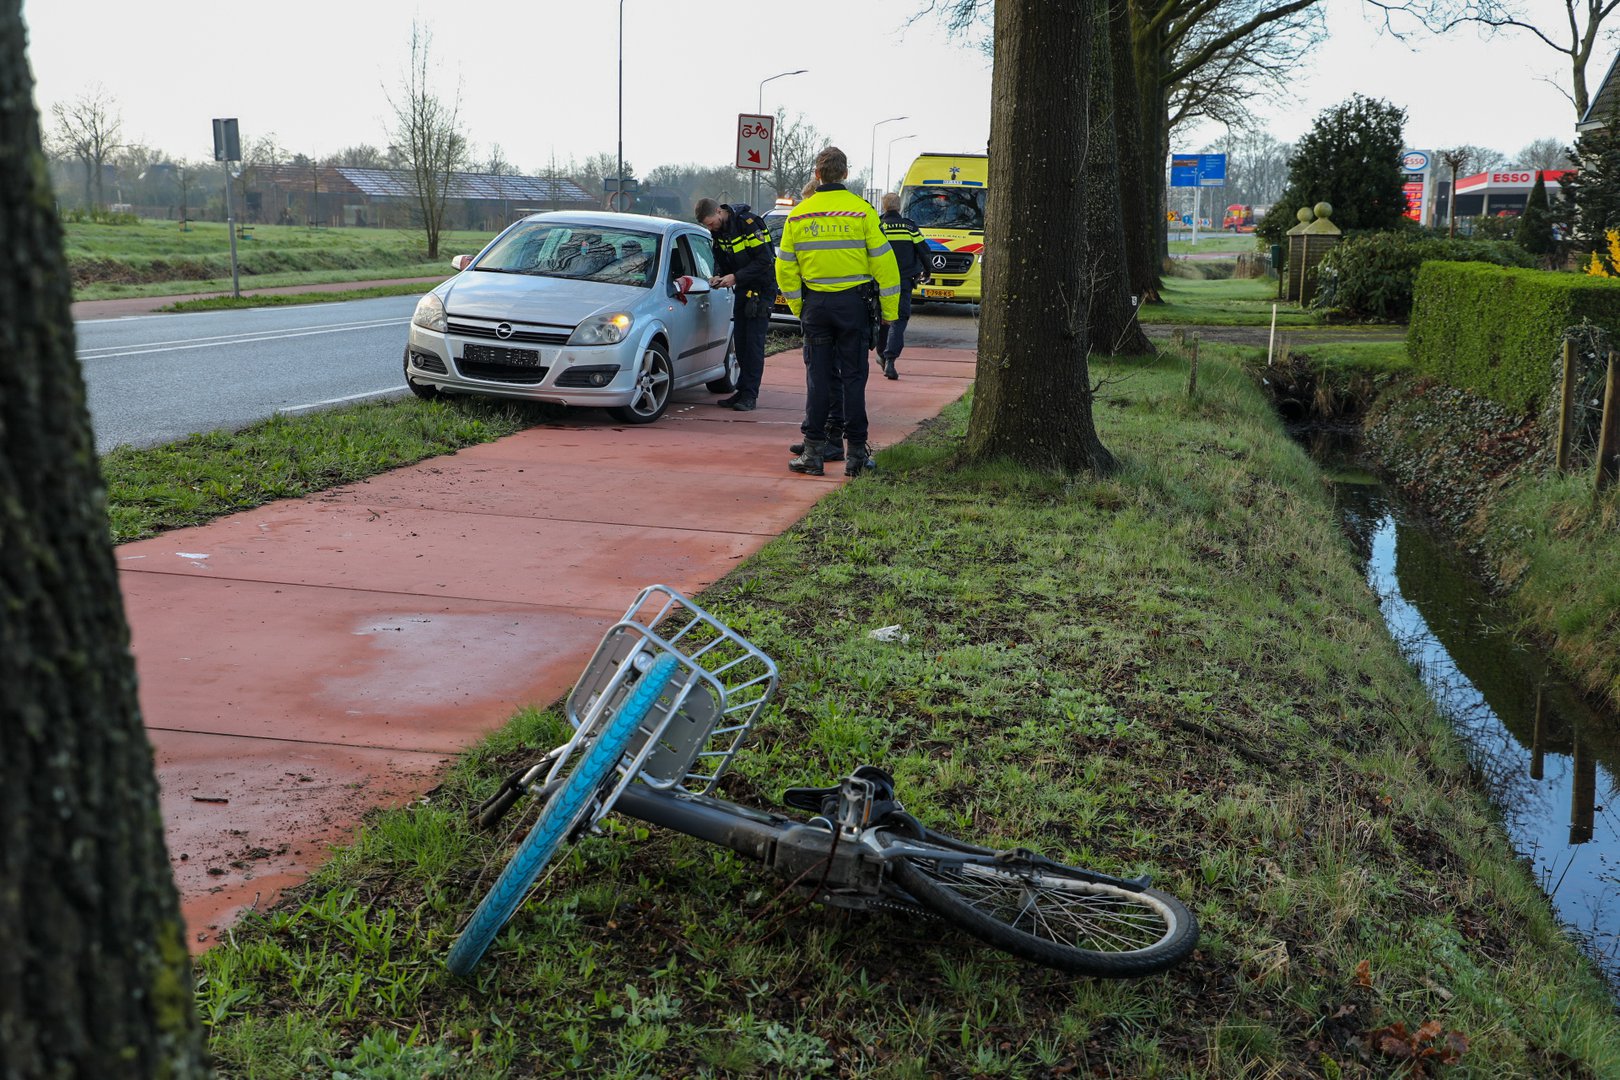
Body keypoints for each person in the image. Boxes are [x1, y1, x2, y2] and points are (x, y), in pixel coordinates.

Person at [775, 146, 901, 477]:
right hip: (854, 307)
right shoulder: (862, 212)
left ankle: (813, 454)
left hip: (816, 307)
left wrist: (799, 307)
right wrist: (890, 312)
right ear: (845, 174)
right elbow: (885, 266)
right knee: (854, 381)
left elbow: (785, 269)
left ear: (817, 176)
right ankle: (856, 457)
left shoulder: (799, 215)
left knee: (818, 381)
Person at [695, 197, 774, 411]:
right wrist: (719, 276)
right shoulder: (719, 232)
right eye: (707, 226)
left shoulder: (749, 224)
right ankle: (741, 390)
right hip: (742, 288)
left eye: (711, 223)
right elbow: (722, 258)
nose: (710, 228)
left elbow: (765, 260)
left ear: (719, 211)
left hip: (761, 290)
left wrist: (736, 277)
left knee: (753, 345)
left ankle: (750, 395)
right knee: (740, 342)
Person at [876, 192, 932, 380]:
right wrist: (928, 270)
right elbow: (924, 250)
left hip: (880, 281)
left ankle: (881, 353)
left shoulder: (878, 225)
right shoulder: (909, 226)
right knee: (900, 319)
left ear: (883, 207)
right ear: (899, 207)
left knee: (883, 317)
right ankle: (890, 359)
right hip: (904, 280)